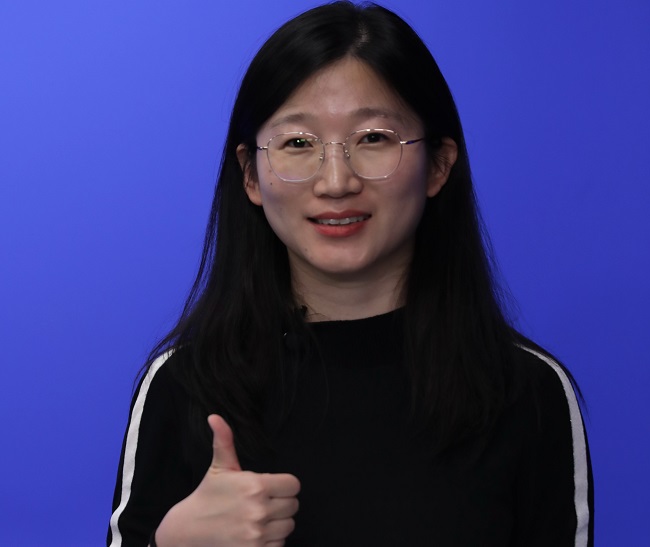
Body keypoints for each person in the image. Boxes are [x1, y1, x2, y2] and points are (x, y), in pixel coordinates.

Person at [107, 2, 594, 546]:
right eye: (298, 143)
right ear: (250, 176)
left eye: (374, 138)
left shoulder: (527, 392)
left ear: (438, 164)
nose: (336, 182)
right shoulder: (184, 384)